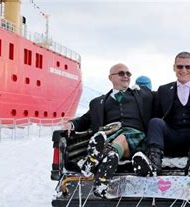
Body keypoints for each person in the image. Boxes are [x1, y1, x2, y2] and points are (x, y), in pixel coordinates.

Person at [64, 63, 153, 196]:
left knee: (122, 138)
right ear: (110, 77)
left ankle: (95, 159)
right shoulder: (98, 102)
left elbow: (169, 94)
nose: (126, 76)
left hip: (137, 137)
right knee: (117, 142)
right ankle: (107, 160)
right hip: (112, 136)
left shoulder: (143, 95)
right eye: (121, 73)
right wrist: (71, 124)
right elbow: (84, 120)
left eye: (128, 74)